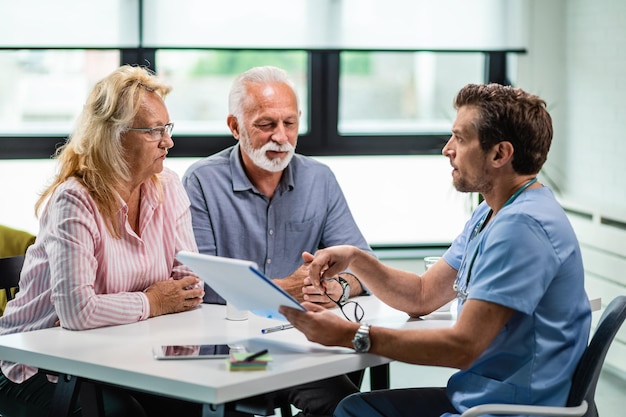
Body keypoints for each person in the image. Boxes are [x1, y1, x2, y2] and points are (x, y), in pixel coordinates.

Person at [279, 83, 592, 417]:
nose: (447, 149)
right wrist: (356, 259)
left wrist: (353, 336)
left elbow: (463, 347)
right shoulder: (492, 212)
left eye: (460, 138)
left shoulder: (523, 228)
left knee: (353, 413)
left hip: (507, 409)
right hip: (480, 394)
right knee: (354, 406)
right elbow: (423, 294)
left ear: (500, 154)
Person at [0, 65, 205, 417]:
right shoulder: (74, 199)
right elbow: (78, 312)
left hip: (117, 354)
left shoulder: (168, 185)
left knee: (193, 401)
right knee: (124, 415)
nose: (168, 141)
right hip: (32, 367)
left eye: (167, 128)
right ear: (115, 135)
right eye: (153, 131)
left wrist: (151, 301)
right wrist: (152, 301)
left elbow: (189, 285)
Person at [182, 65, 372, 416]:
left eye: (290, 123)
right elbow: (201, 288)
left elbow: (362, 264)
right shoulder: (202, 182)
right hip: (233, 349)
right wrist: (286, 289)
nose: (281, 137)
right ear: (235, 126)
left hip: (301, 341)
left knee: (353, 377)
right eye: (267, 125)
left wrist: (337, 288)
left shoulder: (320, 178)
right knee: (343, 402)